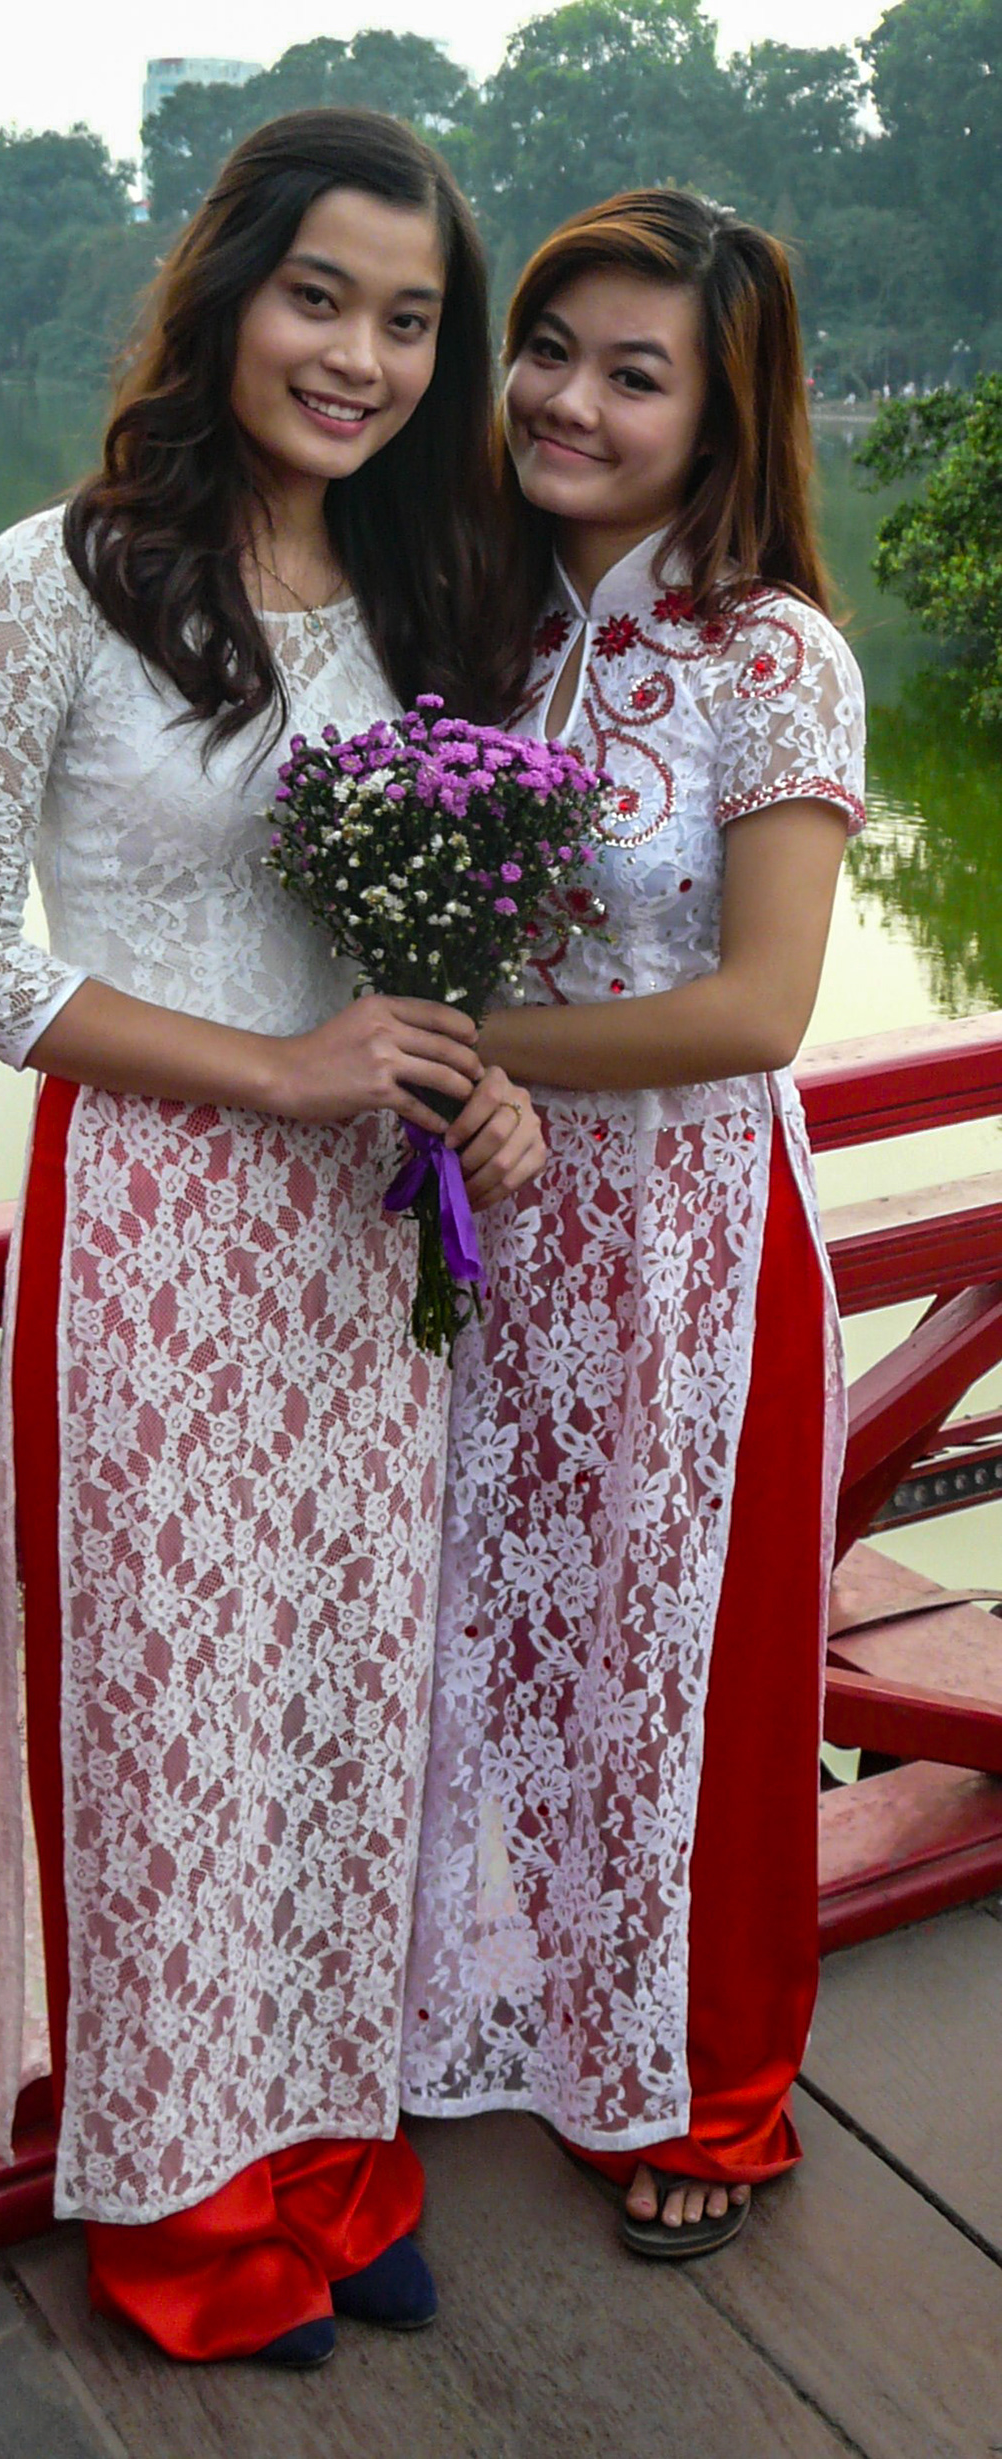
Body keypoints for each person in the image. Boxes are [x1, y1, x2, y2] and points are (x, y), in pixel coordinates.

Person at [0, 108, 543, 2366]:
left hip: (372, 1247)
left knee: (355, 1695)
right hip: (156, 1230)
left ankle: (333, 2151)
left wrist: (481, 1080)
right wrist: (273, 1073)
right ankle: (181, 2200)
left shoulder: (426, 591)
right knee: (178, 1721)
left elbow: (426, 933)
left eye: (409, 320)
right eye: (318, 297)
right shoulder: (49, 580)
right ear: (227, 293)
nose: (359, 357)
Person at [401, 189, 866, 2258]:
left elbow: (761, 1012)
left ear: (721, 414)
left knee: (697, 1679)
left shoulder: (772, 654)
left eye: (634, 373)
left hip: (693, 1253)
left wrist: (445, 1040)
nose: (568, 401)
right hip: (475, 1233)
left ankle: (719, 2092)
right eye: (549, 349)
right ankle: (494, 2015)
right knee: (489, 1645)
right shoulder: (473, 621)